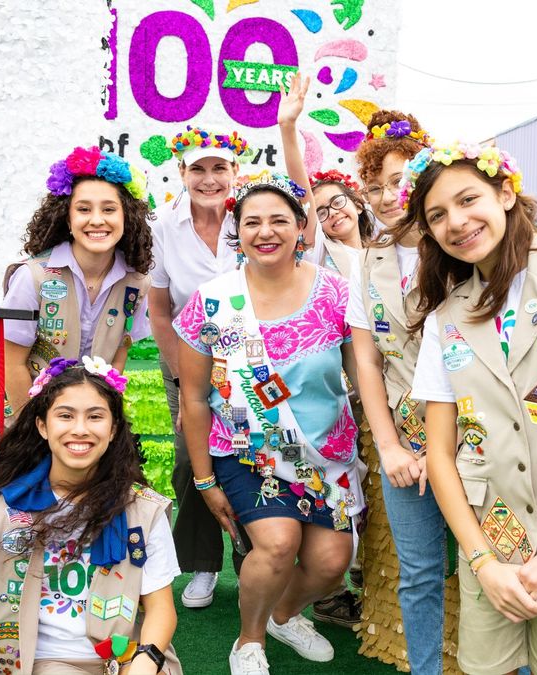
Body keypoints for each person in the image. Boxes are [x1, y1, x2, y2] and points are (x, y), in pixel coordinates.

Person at [406, 139, 537, 674]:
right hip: (490, 542)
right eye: (437, 215)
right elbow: (440, 455)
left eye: (468, 200)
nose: (456, 222)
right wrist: (483, 562)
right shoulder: (445, 319)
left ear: (506, 193)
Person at [175, 171, 365, 675]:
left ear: (301, 226)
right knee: (278, 543)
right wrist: (204, 479)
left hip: (327, 454)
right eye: (252, 221)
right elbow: (193, 399)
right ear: (237, 230)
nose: (266, 231)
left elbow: (362, 371)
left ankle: (283, 615)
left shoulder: (338, 294)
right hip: (246, 451)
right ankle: (249, 640)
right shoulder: (211, 303)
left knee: (331, 563)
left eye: (279, 219)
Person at [0, 357, 183, 674]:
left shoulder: (142, 510)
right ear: (43, 425)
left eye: (95, 417)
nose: (80, 429)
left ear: (113, 429)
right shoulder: (7, 509)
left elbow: (161, 609)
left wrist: (145, 661)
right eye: (65, 416)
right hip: (44, 663)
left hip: (127, 658)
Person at [349, 110, 453, 673]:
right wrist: (388, 446)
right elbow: (366, 361)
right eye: (375, 186)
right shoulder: (367, 264)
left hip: (480, 438)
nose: (389, 196)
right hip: (407, 440)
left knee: (505, 556)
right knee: (418, 570)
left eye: (399, 179)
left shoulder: (464, 246)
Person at [147, 125, 252, 610]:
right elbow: (161, 310)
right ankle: (204, 566)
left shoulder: (251, 216)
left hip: (253, 362)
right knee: (193, 462)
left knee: (255, 456)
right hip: (187, 361)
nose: (210, 179)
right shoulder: (163, 226)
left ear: (235, 172)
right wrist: (179, 375)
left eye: (219, 168)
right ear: (182, 172)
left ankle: (250, 561)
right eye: (198, 169)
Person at [2, 147, 153, 418]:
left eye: (109, 209)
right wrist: (32, 431)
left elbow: (121, 349)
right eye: (84, 209)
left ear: (125, 217)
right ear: (68, 219)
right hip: (32, 420)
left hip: (93, 425)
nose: (97, 220)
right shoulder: (32, 276)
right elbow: (11, 364)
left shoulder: (138, 283)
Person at [278, 72, 375, 281]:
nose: (333, 213)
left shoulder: (382, 252)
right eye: (321, 212)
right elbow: (301, 190)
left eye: (337, 201)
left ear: (358, 205)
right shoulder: (321, 249)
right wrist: (287, 126)